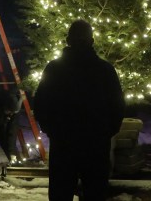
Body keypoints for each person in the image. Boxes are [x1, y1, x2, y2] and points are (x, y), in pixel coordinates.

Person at [34, 19, 125, 201]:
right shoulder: (105, 70)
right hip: (96, 144)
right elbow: (117, 106)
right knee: (95, 192)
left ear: (68, 41)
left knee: (61, 191)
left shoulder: (53, 69)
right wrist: (106, 132)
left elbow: (41, 104)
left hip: (63, 143)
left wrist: (52, 129)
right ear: (92, 41)